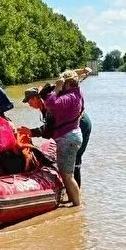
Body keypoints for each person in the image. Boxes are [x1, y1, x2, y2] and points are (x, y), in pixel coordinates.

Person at [22, 67, 92, 187]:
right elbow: (67, 77)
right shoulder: (48, 100)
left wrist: (31, 132)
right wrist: (82, 70)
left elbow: (49, 130)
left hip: (81, 125)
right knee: (71, 163)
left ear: (35, 98)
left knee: (76, 160)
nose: (30, 105)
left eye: (29, 102)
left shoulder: (50, 102)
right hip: (71, 125)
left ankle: (76, 193)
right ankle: (71, 189)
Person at [44, 70, 85, 206]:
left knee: (67, 175)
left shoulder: (70, 97)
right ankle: (75, 202)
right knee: (67, 174)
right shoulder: (77, 93)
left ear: (66, 84)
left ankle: (77, 206)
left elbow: (50, 104)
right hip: (72, 135)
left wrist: (56, 88)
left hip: (68, 138)